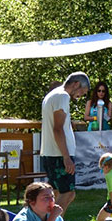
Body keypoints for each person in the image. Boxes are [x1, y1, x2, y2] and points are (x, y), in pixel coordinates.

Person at [41, 71, 89, 211]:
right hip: (58, 154)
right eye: (82, 92)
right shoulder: (62, 96)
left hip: (51, 153)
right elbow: (58, 129)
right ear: (76, 84)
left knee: (55, 194)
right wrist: (66, 157)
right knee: (68, 193)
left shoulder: (53, 94)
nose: (80, 96)